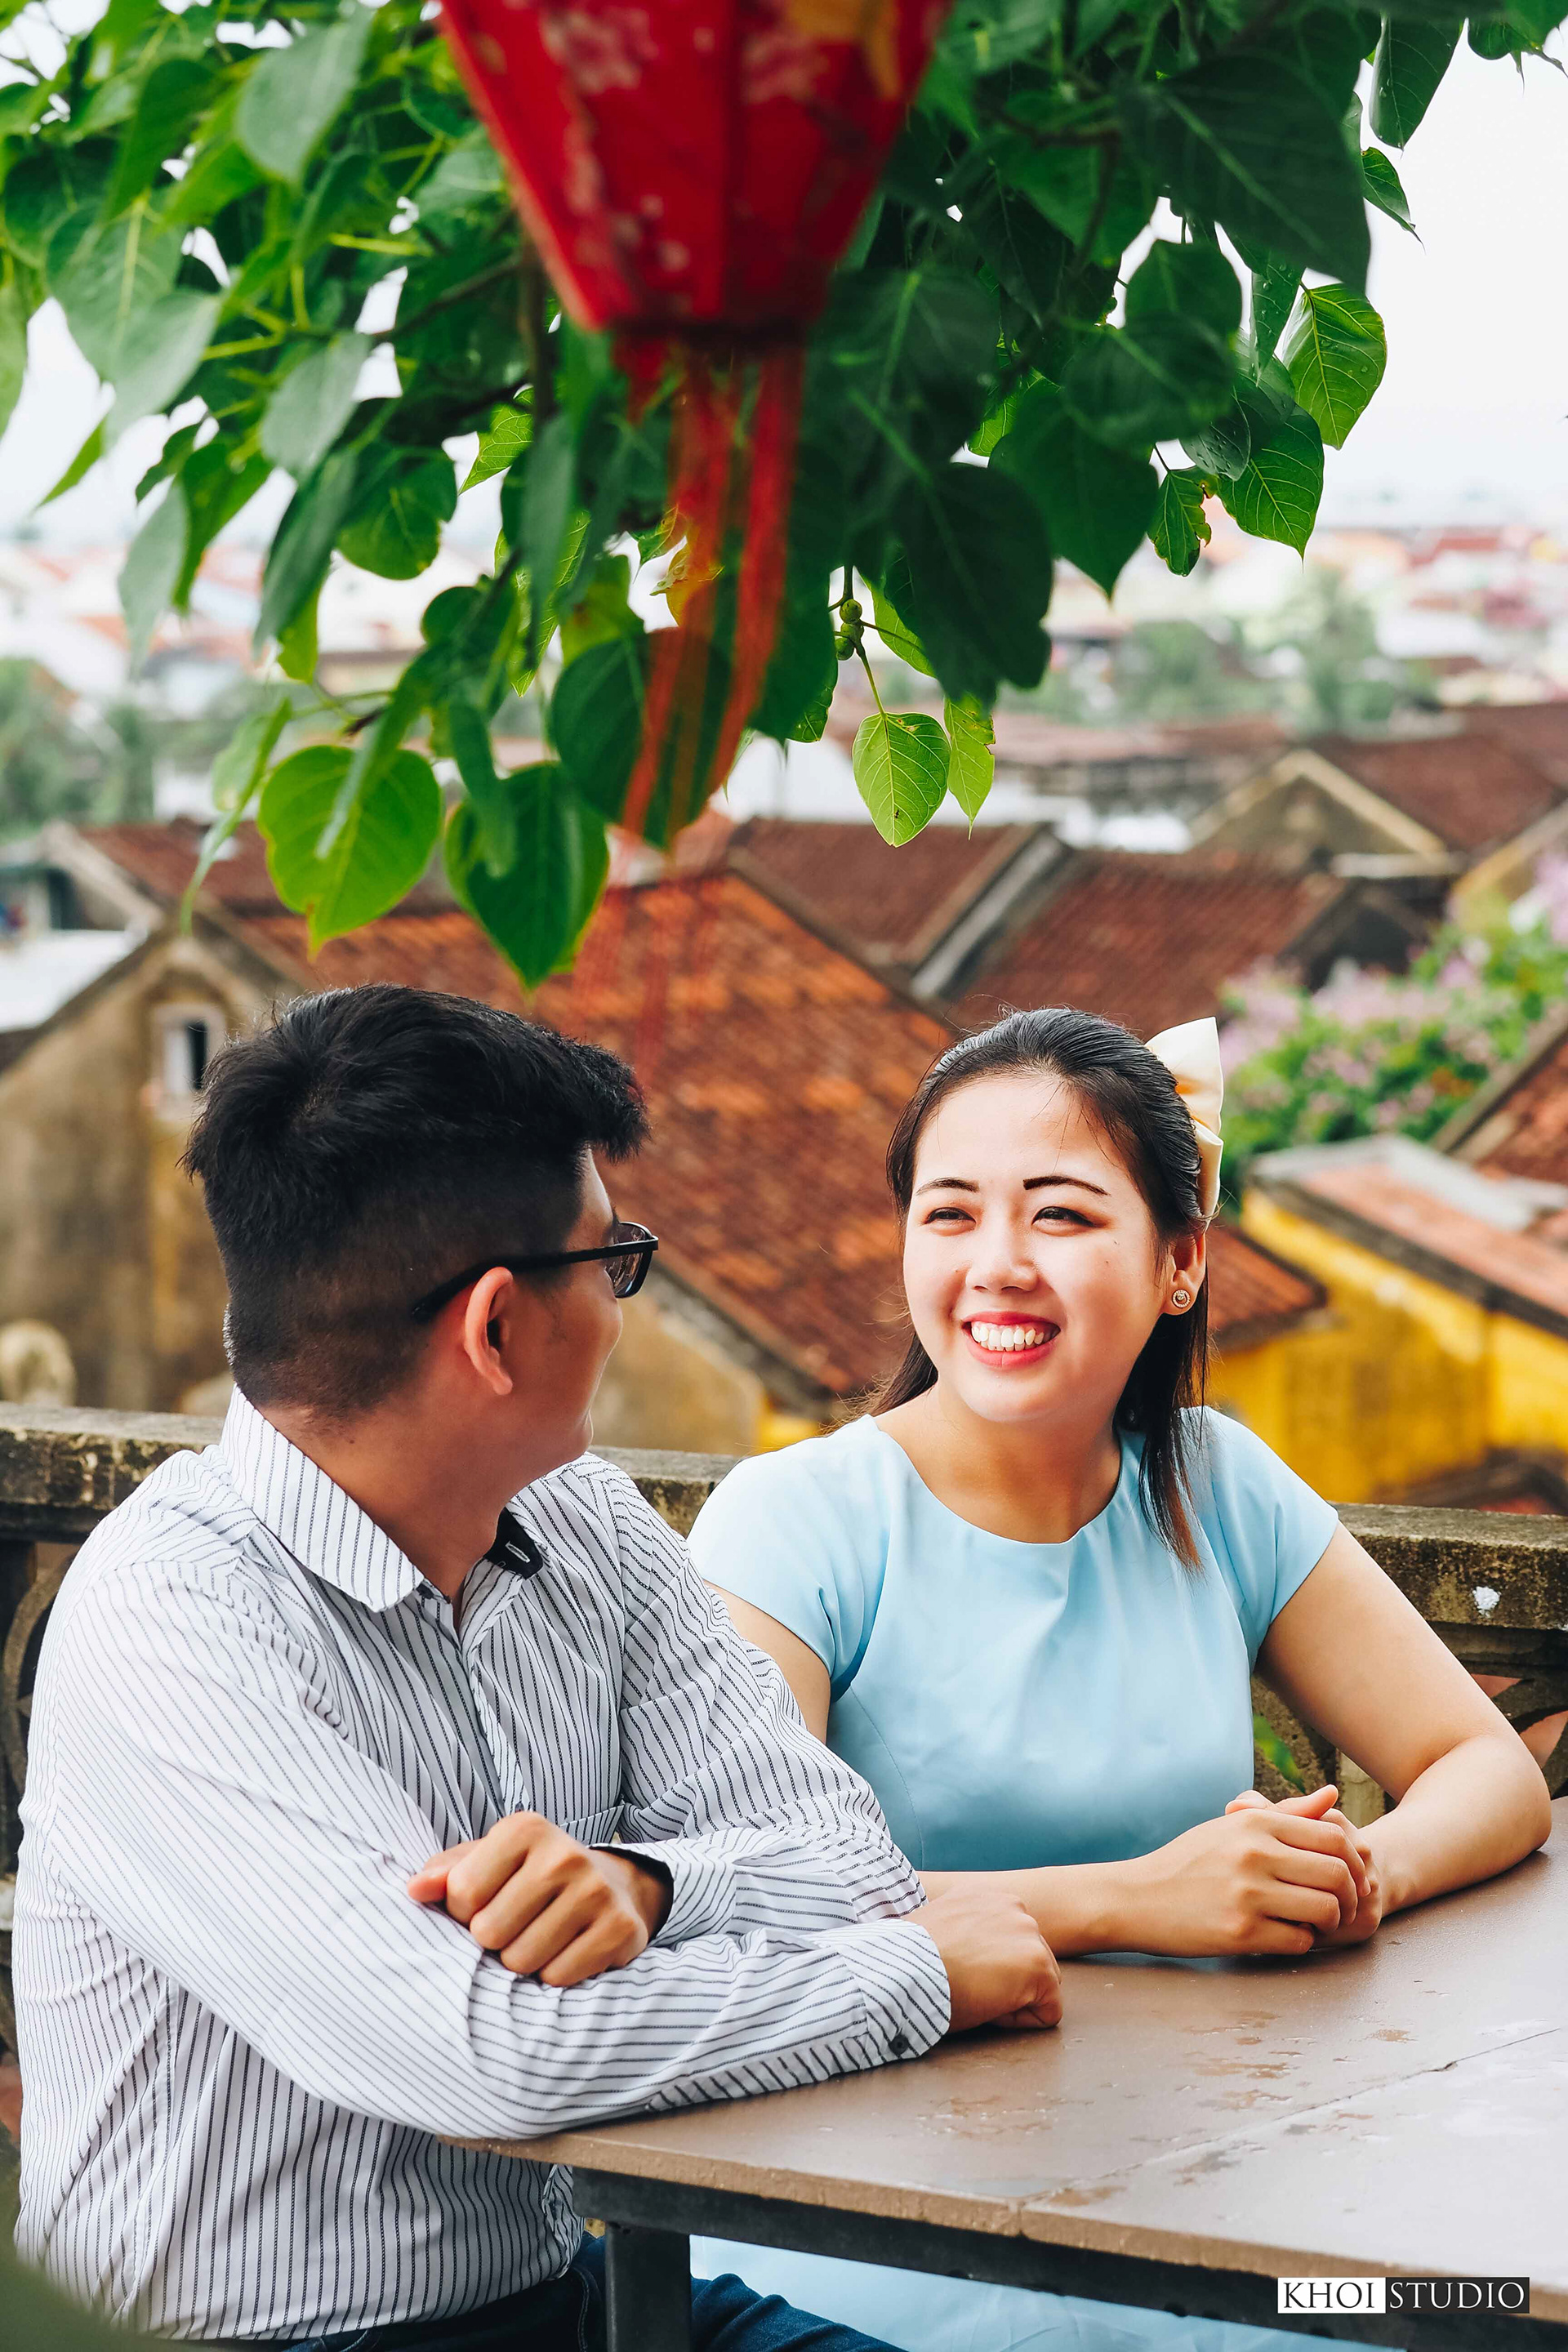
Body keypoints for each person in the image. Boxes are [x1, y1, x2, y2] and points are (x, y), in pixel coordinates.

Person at [13, 984, 1062, 2350]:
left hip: (581, 2295)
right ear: (496, 1329)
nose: (623, 1310)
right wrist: (921, 1974)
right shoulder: (174, 1617)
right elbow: (483, 2057)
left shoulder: (586, 1521)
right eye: (609, 1261)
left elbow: (849, 1860)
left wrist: (649, 1885)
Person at [691, 1005, 1552, 2352]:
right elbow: (753, 1905)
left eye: (1064, 1217)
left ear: (1181, 1264)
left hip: (1222, 2181)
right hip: (884, 2212)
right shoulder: (797, 1519)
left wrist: (1357, 1877)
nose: (997, 1266)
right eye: (951, 1214)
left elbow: (1488, 1768)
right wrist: (1146, 1898)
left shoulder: (1217, 1481)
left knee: (1471, 2311)